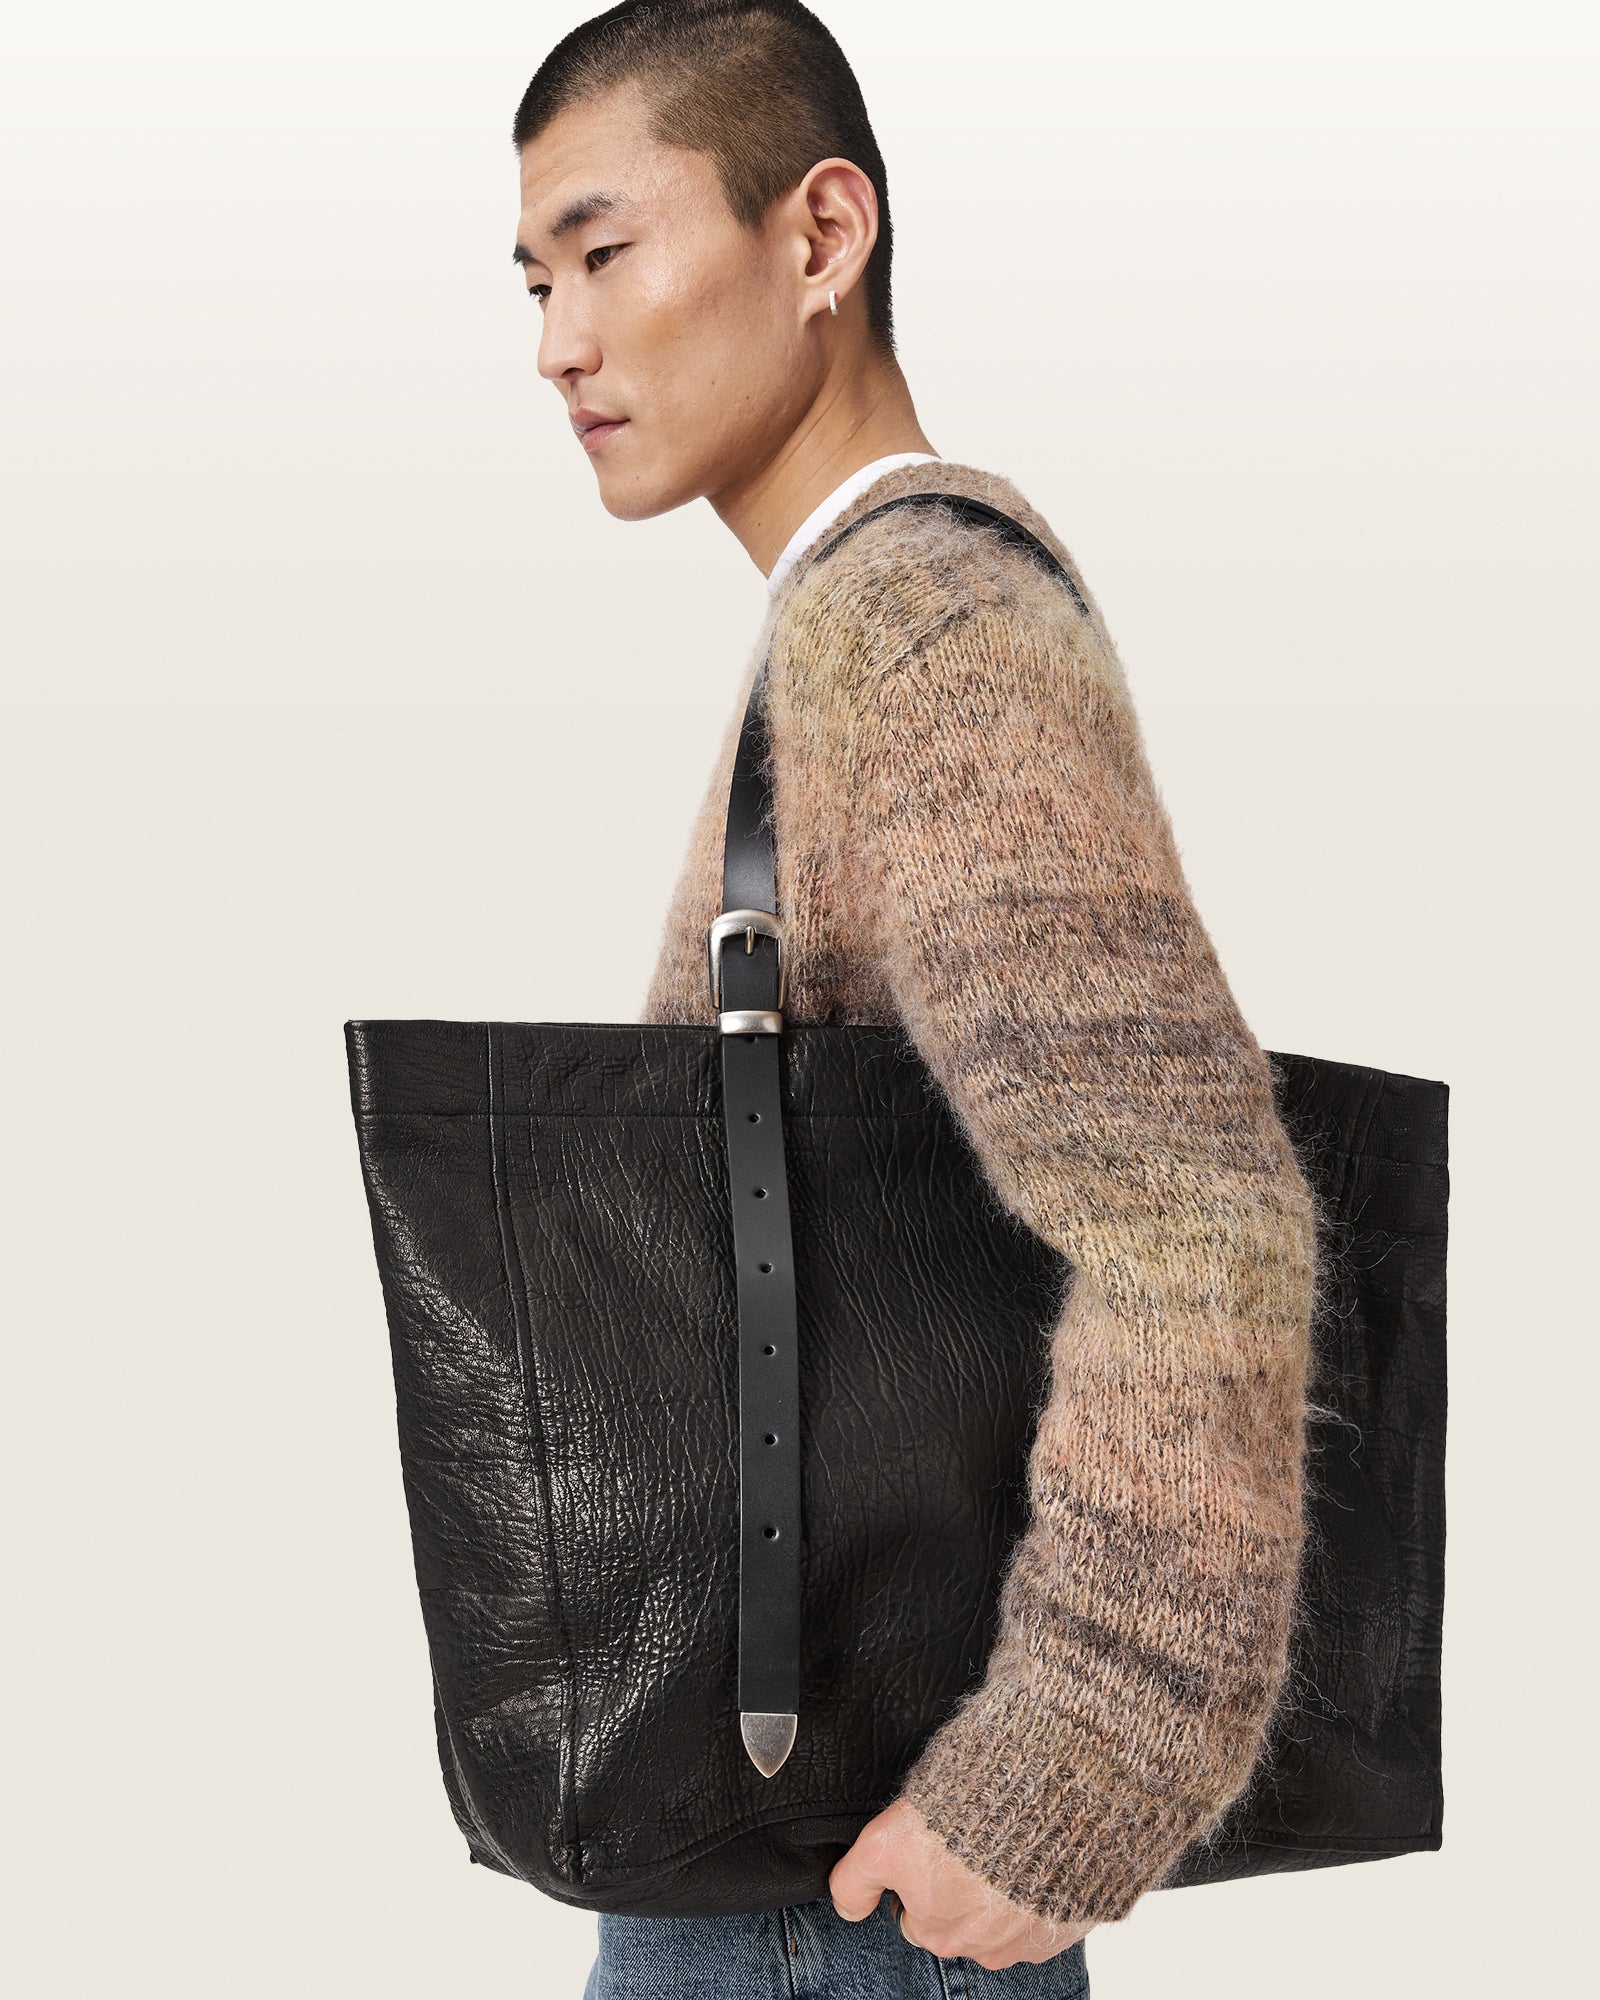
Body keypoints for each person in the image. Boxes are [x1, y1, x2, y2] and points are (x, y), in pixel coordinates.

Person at [510, 5, 1320, 1996]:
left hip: (841, 1887)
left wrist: (1073, 1770)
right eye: (533, 284)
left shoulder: (923, 628)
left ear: (819, 235)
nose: (558, 345)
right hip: (792, 1836)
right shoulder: (856, 627)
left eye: (604, 252)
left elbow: (1193, 1215)